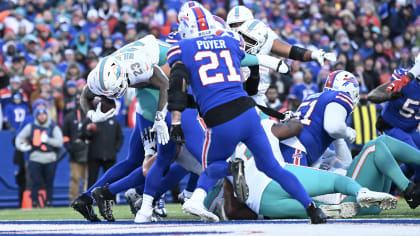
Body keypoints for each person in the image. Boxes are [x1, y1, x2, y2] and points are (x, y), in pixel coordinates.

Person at [158, 5, 326, 224]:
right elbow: (249, 63)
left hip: (221, 118)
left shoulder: (182, 48)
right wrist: (270, 62)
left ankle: (199, 198)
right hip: (248, 113)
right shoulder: (229, 40)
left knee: (212, 165)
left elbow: (177, 84)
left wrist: (176, 120)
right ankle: (312, 209)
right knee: (273, 167)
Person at [280, 70, 359, 167]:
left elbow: (345, 163)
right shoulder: (340, 96)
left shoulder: (312, 97)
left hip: (290, 146)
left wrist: (339, 137)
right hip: (296, 148)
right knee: (295, 182)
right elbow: (334, 128)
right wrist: (348, 132)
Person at [15, 107, 63, 207]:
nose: (42, 116)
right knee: (35, 181)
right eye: (39, 115)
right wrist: (21, 147)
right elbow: (19, 137)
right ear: (36, 116)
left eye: (44, 114)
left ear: (47, 115)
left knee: (49, 182)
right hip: (35, 158)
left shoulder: (53, 127)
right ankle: (34, 201)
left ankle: (49, 201)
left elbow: (59, 142)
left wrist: (48, 140)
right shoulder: (31, 126)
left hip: (50, 158)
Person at [62, 95, 89, 205]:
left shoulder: (91, 116)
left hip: (89, 152)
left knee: (88, 179)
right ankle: (72, 202)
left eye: (81, 100)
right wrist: (69, 148)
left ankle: (87, 202)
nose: (80, 102)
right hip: (75, 153)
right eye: (78, 100)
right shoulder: (69, 117)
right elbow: (65, 135)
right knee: (75, 178)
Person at [86, 116, 124, 188]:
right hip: (94, 156)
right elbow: (85, 135)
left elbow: (120, 137)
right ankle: (89, 198)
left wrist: (115, 150)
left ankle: (111, 198)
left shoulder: (115, 122)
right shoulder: (92, 120)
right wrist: (89, 131)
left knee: (110, 180)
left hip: (110, 157)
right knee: (92, 180)